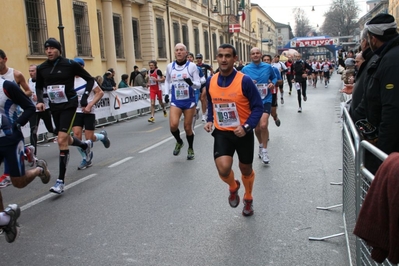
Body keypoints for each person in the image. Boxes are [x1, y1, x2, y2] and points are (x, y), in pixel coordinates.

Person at [204, 43, 263, 216]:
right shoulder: (211, 81)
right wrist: (209, 119)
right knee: (223, 169)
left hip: (243, 133)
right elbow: (210, 101)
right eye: (220, 55)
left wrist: (246, 127)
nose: (224, 59)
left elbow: (258, 107)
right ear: (217, 58)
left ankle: (248, 197)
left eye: (228, 56)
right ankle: (233, 186)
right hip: (222, 132)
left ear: (234, 59)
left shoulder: (244, 81)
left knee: (246, 169)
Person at [35, 38, 94, 194]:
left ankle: (60, 182)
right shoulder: (42, 68)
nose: (49, 51)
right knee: (65, 138)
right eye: (47, 49)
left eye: (53, 48)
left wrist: (85, 97)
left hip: (69, 105)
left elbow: (90, 79)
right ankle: (84, 145)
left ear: (59, 50)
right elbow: (39, 86)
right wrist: (40, 101)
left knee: (61, 139)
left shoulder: (69, 64)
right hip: (55, 106)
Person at [0, 78, 51, 243]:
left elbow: (30, 107)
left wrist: (16, 124)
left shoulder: (6, 86)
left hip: (10, 140)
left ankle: (39, 170)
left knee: (19, 183)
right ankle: (4, 219)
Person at [361, 14, 399, 169]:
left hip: (389, 148)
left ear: (373, 39)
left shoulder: (391, 60)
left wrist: (381, 152)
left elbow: (392, 108)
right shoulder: (388, 55)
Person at [0, 50, 35, 186]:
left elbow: (28, 93)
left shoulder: (14, 76)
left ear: (5, 59)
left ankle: (38, 169)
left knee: (19, 182)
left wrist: (17, 96)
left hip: (11, 118)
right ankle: (26, 151)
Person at [72, 57, 110, 170]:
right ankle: (86, 158)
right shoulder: (68, 80)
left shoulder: (88, 80)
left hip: (89, 111)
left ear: (83, 67)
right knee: (76, 137)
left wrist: (89, 105)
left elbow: (100, 93)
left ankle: (102, 136)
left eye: (79, 66)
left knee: (89, 138)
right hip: (76, 111)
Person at [164, 43, 201, 160]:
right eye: (177, 50)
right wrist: (166, 93)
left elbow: (198, 84)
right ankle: (179, 141)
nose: (179, 52)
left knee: (187, 128)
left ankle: (190, 148)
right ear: (174, 53)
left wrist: (191, 83)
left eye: (181, 50)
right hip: (176, 100)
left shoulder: (192, 67)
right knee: (173, 126)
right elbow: (167, 81)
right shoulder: (170, 66)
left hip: (189, 101)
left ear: (186, 53)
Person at [242, 48, 276, 164]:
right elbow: (240, 83)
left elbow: (275, 77)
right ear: (250, 56)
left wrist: (272, 83)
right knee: (256, 128)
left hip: (266, 99)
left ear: (260, 55)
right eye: (253, 53)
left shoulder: (267, 67)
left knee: (263, 125)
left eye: (257, 53)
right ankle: (261, 145)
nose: (255, 55)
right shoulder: (245, 69)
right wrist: (249, 84)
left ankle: (265, 151)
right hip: (253, 102)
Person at [350, 29, 378, 122]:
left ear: (365, 42)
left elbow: (371, 93)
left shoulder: (374, 60)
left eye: (361, 41)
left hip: (366, 121)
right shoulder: (371, 58)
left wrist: (356, 115)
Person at [27, 64, 55, 157]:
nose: (31, 73)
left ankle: (65, 135)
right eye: (30, 71)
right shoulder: (29, 81)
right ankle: (33, 155)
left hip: (44, 108)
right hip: (34, 110)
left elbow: (51, 94)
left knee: (50, 129)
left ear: (37, 71)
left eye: (33, 71)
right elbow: (28, 92)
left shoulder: (44, 80)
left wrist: (40, 98)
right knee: (33, 131)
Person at [187, 53, 206, 132]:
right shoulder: (182, 68)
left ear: (193, 58)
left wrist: (197, 83)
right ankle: (196, 110)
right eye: (187, 57)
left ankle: (192, 128)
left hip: (195, 90)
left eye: (191, 57)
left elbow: (203, 79)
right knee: (189, 108)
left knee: (193, 107)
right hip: (186, 91)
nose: (189, 58)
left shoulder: (197, 68)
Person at [262, 54, 282, 127]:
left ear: (271, 61)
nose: (266, 61)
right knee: (264, 116)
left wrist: (273, 82)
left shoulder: (275, 69)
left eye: (268, 60)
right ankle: (265, 133)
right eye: (264, 60)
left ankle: (275, 117)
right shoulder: (259, 70)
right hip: (262, 94)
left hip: (272, 93)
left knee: (273, 112)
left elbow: (280, 81)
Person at [196, 53, 213, 122]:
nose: (198, 59)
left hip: (204, 83)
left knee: (203, 98)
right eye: (197, 58)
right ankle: (202, 108)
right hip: (197, 84)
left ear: (201, 59)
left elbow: (211, 69)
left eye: (199, 58)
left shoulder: (205, 65)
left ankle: (204, 115)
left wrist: (211, 73)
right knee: (201, 99)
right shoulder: (194, 66)